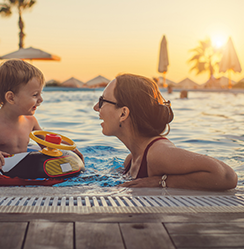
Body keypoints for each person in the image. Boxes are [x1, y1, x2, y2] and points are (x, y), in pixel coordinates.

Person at [93, 73, 237, 191]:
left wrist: (162, 182)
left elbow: (226, 176)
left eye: (102, 101)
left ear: (123, 113)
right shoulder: (131, 160)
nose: (96, 107)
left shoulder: (157, 154)